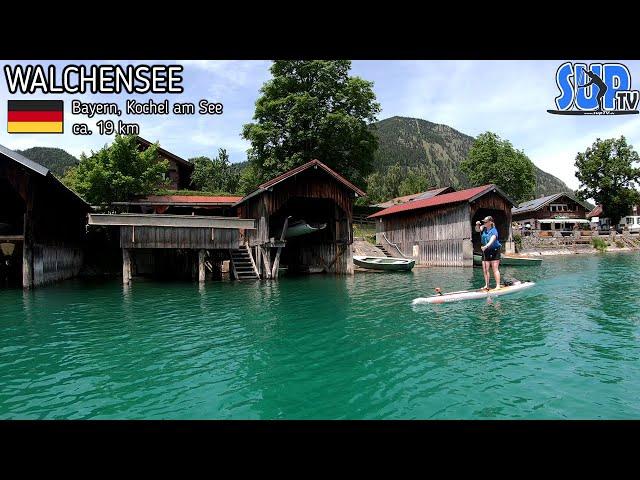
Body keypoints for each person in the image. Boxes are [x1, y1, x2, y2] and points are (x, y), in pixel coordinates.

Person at [477, 216, 502, 290]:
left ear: (490, 222)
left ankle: (498, 285)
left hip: (494, 250)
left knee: (495, 269)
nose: (484, 223)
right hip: (486, 251)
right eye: (483, 222)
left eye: (485, 222)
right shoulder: (483, 228)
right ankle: (487, 285)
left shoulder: (494, 230)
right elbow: (478, 230)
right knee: (485, 269)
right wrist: (477, 225)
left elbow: (492, 239)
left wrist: (486, 246)